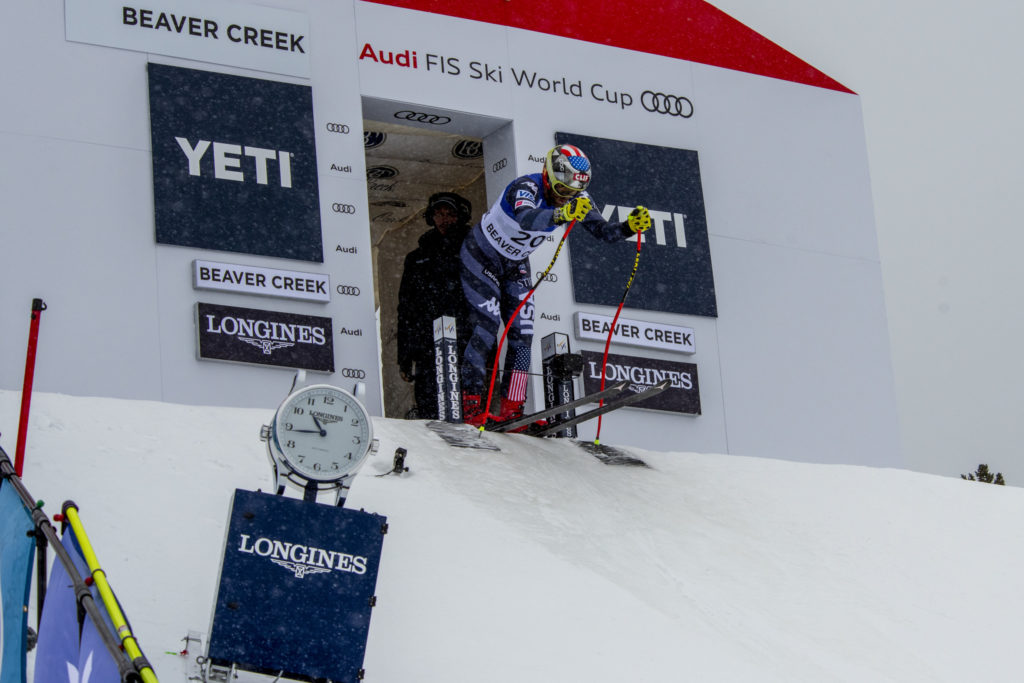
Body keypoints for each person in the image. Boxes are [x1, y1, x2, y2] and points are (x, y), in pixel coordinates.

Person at [459, 144, 651, 427]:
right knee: (485, 330)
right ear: (548, 177)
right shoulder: (526, 187)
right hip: (481, 256)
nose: (566, 198)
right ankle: (470, 406)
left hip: (514, 264)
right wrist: (561, 214)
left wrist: (628, 227)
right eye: (562, 190)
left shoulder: (577, 197)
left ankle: (513, 409)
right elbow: (526, 218)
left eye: (572, 193)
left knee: (523, 335)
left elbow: (603, 232)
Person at [397, 191, 473, 419]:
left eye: (449, 214)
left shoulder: (475, 249)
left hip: (465, 344)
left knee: (467, 411)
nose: (443, 219)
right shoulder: (416, 257)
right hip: (427, 347)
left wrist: (486, 347)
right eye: (438, 214)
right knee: (429, 412)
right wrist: (405, 356)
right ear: (431, 218)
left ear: (460, 217)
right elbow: (406, 308)